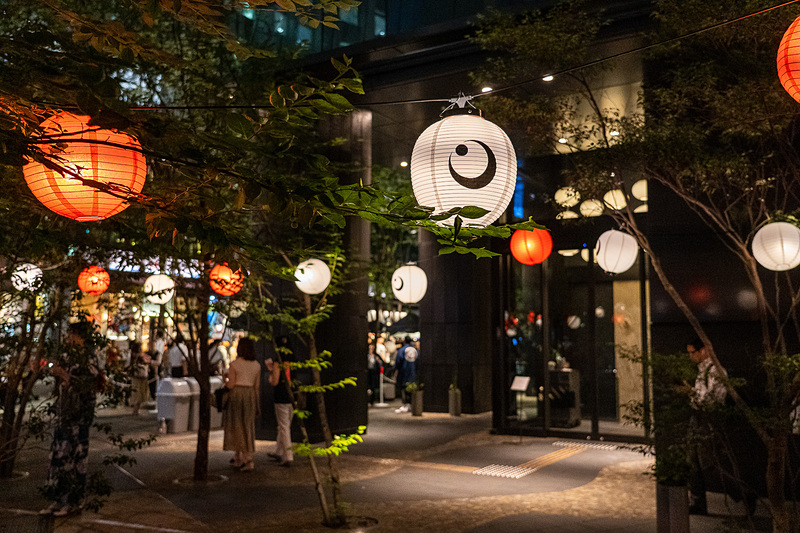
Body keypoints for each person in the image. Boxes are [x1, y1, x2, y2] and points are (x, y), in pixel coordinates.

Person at [41, 321, 103, 517]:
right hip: (65, 411)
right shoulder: (70, 355)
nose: (68, 338)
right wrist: (58, 373)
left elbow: (89, 384)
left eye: (71, 334)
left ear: (79, 336)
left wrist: (67, 378)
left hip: (79, 414)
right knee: (59, 454)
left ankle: (73, 500)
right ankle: (57, 498)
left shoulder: (89, 357)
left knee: (75, 455)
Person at [686, 337, 727, 515]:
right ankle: (697, 502)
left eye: (692, 353)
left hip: (707, 419)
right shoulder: (702, 370)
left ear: (703, 351)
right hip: (697, 417)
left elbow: (711, 400)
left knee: (707, 464)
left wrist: (691, 393)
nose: (691, 357)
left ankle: (742, 493)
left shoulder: (715, 371)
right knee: (693, 462)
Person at [223, 337, 261, 471]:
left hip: (237, 395)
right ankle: (243, 456)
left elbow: (231, 384)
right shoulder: (257, 365)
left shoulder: (234, 364)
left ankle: (244, 458)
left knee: (237, 425)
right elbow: (257, 387)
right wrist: (257, 405)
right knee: (247, 426)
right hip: (250, 395)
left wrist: (224, 379)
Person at [268, 336, 294, 467]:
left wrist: (271, 370)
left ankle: (288, 456)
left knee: (284, 427)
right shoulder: (294, 361)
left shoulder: (278, 362)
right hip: (292, 396)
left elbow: (275, 381)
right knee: (284, 425)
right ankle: (278, 451)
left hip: (281, 396)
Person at [395, 336, 419, 413]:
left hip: (404, 372)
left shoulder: (402, 350)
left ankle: (405, 404)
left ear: (404, 341)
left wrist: (396, 370)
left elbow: (398, 361)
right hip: (413, 372)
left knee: (403, 388)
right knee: (411, 389)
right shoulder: (415, 350)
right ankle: (411, 404)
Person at [129, 341, 149, 416]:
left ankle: (135, 410)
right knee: (139, 394)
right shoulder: (140, 357)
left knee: (136, 394)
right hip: (140, 377)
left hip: (135, 377)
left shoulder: (132, 357)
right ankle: (135, 410)